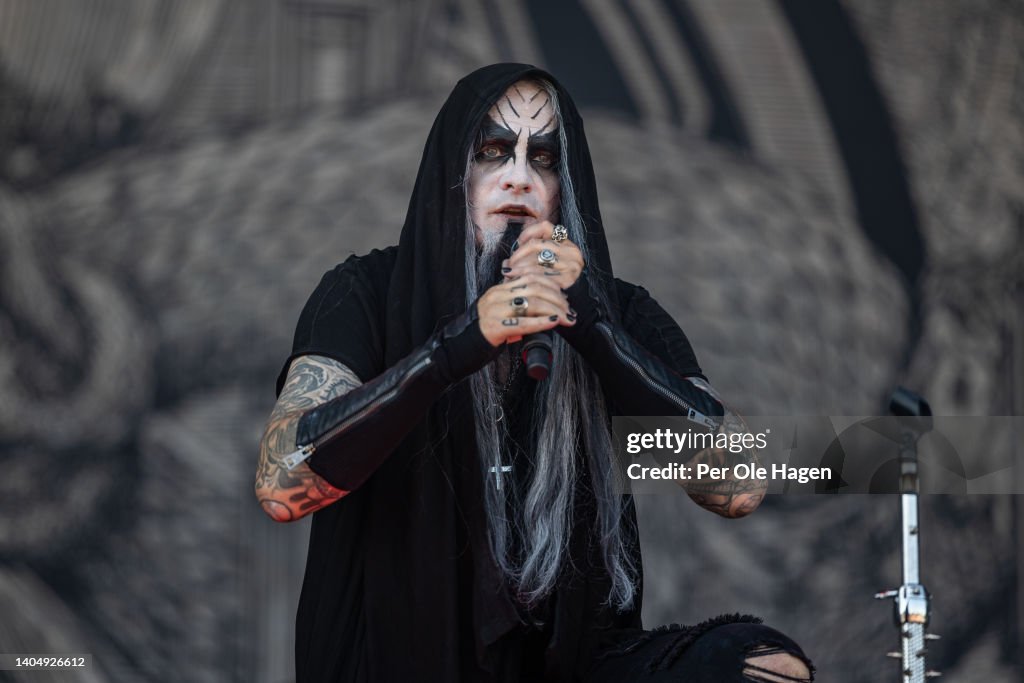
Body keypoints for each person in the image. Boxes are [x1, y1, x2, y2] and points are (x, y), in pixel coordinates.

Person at [255, 63, 814, 683]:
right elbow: (282, 484)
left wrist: (596, 331)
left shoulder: (622, 313)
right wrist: (455, 348)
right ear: (453, 177)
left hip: (575, 664)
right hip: (396, 658)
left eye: (544, 159)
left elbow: (738, 488)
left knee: (766, 670)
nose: (519, 177)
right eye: (494, 152)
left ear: (564, 191)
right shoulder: (364, 294)